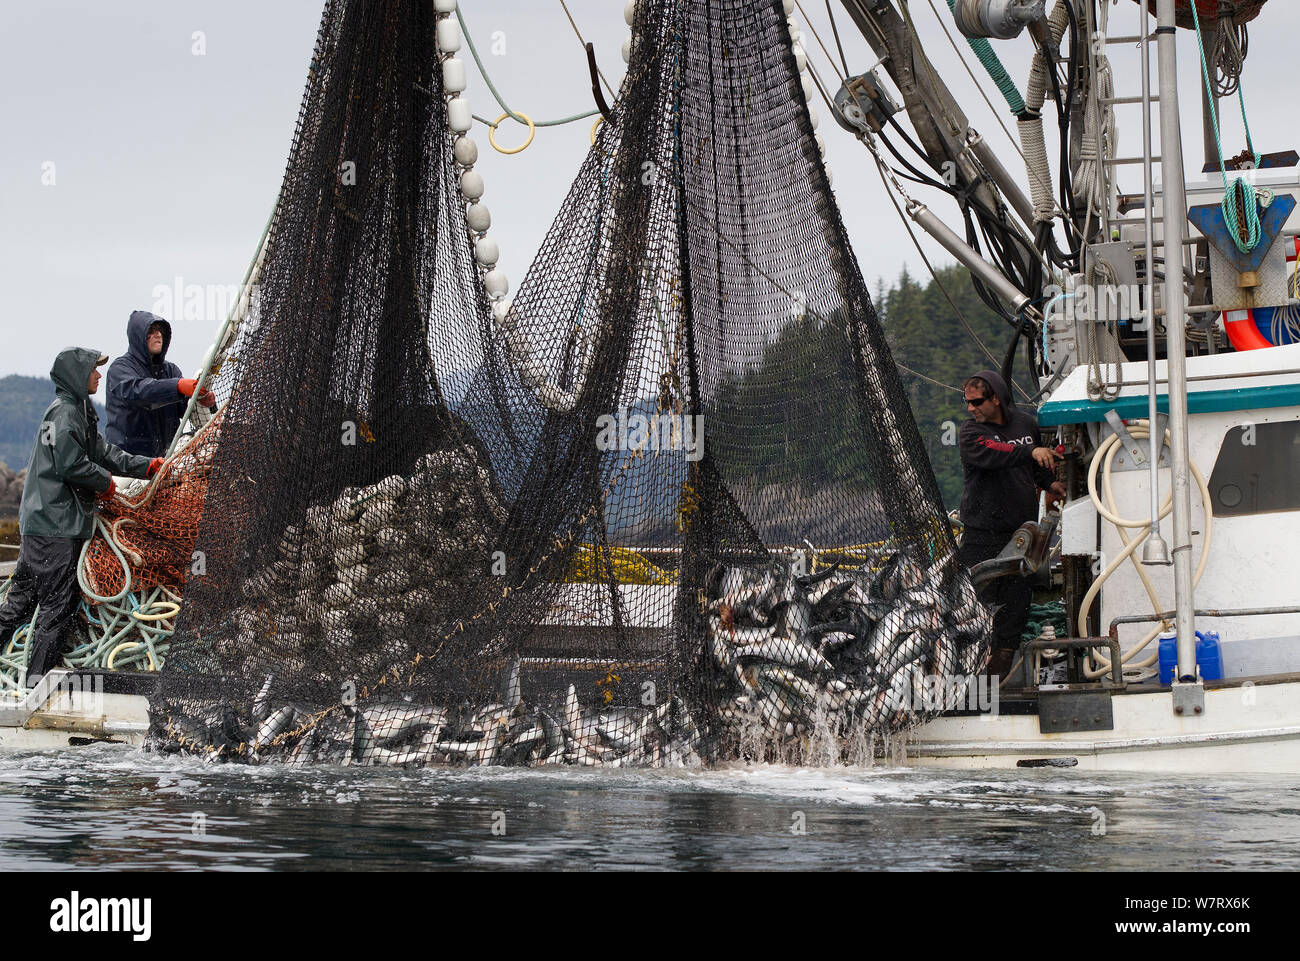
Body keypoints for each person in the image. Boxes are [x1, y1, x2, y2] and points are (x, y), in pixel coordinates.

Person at [0, 348, 161, 687]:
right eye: (93, 370)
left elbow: (103, 453)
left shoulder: (77, 411)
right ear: (77, 375)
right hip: (54, 527)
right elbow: (70, 465)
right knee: (57, 604)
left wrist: (146, 466)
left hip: (41, 525)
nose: (99, 376)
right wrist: (104, 485)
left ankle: (29, 683)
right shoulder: (63, 413)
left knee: (19, 604)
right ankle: (37, 685)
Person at [958, 369, 1065, 678]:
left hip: (1022, 533)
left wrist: (1050, 484)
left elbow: (1035, 466)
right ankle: (969, 674)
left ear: (996, 399)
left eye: (976, 402)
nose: (970, 408)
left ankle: (998, 676)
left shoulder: (1026, 424)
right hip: (982, 534)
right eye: (966, 402)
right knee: (976, 604)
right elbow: (1000, 453)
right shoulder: (970, 434)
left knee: (1015, 608)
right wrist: (1030, 450)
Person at [105, 310, 214, 458]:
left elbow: (186, 407)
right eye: (151, 331)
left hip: (165, 462)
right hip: (127, 464)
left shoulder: (171, 370)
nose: (158, 335)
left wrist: (205, 402)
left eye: (161, 331)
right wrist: (177, 386)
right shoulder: (120, 369)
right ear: (138, 336)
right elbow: (140, 392)